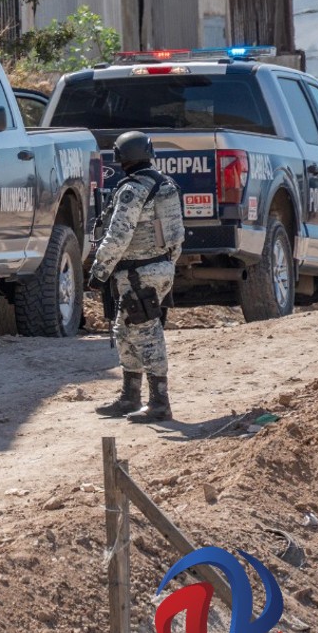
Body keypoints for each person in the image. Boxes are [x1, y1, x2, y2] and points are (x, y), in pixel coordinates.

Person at [88, 131, 184, 423]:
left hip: (138, 272)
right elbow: (176, 235)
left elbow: (118, 235)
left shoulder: (134, 189)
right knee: (124, 329)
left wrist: (98, 272)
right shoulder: (166, 184)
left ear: (120, 158)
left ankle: (159, 402)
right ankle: (130, 397)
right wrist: (166, 267)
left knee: (146, 334)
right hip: (157, 267)